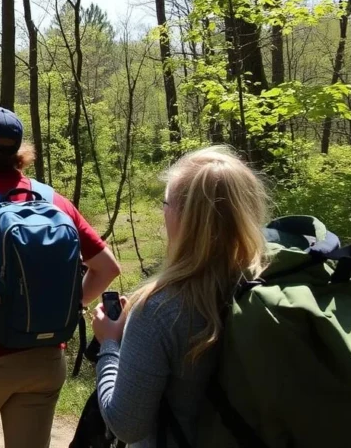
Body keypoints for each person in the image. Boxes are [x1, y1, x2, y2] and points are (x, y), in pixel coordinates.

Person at [0, 106, 122, 448]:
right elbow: (107, 268)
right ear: (18, 152)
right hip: (44, 358)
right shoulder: (54, 202)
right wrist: (66, 309)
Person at [91, 147, 268, 447]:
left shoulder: (159, 310)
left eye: (166, 203)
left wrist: (108, 343)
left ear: (183, 217)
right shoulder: (266, 287)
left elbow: (126, 425)